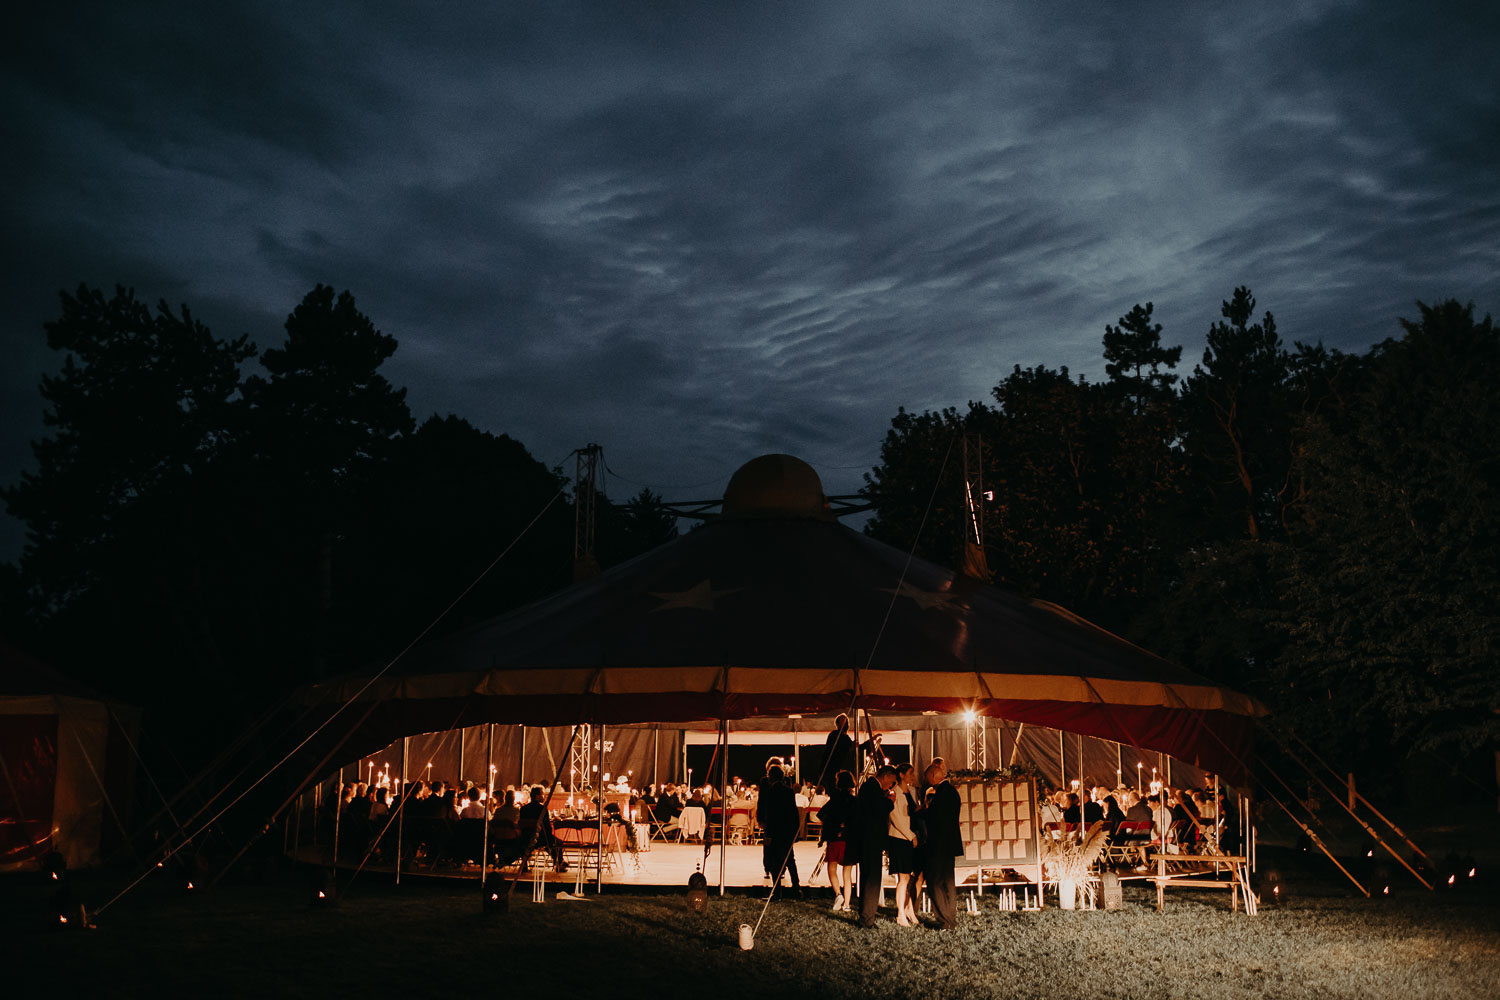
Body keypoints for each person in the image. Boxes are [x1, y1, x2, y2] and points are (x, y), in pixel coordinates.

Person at [921, 757, 963, 931]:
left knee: (936, 881)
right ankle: (950, 917)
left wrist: (923, 812)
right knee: (948, 880)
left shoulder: (942, 793)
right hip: (950, 843)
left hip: (938, 844)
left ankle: (944, 919)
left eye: (928, 779)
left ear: (933, 776)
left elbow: (936, 818)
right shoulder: (952, 791)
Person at [855, 765, 898, 927]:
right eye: (891, 781)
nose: (891, 785)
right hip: (871, 840)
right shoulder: (872, 788)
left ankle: (866, 914)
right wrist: (890, 802)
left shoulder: (869, 787)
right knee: (872, 879)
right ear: (886, 776)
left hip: (867, 840)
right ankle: (867, 918)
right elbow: (877, 811)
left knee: (868, 878)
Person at [816, 770, 858, 911]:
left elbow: (821, 815)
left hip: (834, 839)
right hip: (850, 840)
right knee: (847, 874)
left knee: (832, 869)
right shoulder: (854, 801)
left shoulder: (834, 800)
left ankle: (838, 894)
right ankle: (847, 904)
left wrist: (830, 828)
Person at [759, 764, 802, 898]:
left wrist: (768, 833)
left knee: (774, 862)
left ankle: (777, 891)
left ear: (771, 777)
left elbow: (770, 815)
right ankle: (797, 888)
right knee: (790, 860)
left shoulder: (770, 792)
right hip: (787, 831)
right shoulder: (789, 792)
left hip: (775, 831)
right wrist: (796, 831)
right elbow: (794, 813)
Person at [887, 763, 920, 926]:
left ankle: (908, 909)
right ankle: (900, 913)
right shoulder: (894, 792)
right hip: (900, 838)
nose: (912, 776)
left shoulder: (912, 791)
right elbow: (896, 818)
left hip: (911, 838)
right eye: (910, 773)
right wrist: (910, 836)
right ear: (901, 775)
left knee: (909, 877)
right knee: (903, 877)